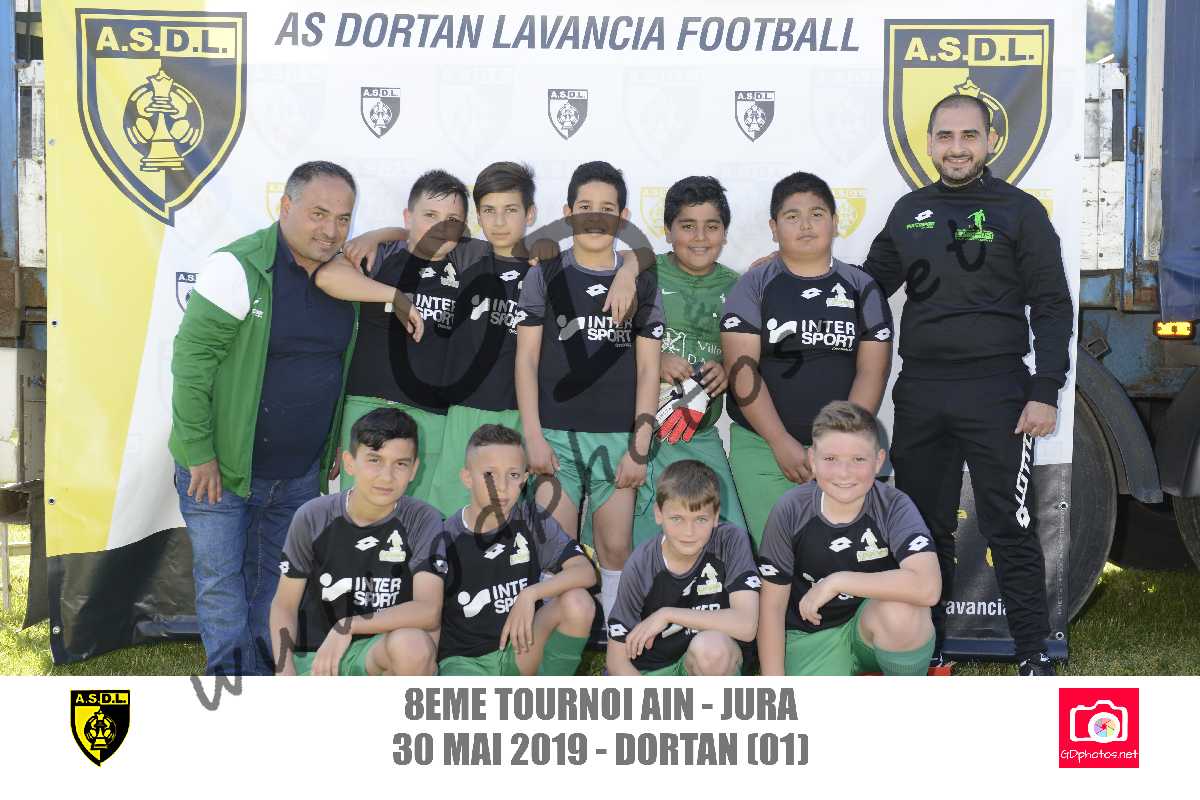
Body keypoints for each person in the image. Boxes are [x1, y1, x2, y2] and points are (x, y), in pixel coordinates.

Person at [861, 94, 1073, 676]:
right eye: (946, 136)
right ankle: (928, 651)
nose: (957, 148)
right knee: (923, 531)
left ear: (990, 142)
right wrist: (790, 266)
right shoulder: (909, 210)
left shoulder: (1021, 212)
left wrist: (1045, 390)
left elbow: (1052, 305)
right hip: (922, 391)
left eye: (969, 136)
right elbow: (866, 286)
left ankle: (1033, 654)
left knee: (1010, 525)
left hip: (998, 393)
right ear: (930, 143)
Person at [329, 162, 641, 516]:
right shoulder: (467, 255)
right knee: (448, 510)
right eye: (489, 211)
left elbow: (615, 258)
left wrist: (628, 271)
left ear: (530, 214)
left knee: (505, 515)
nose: (499, 221)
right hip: (463, 411)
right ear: (478, 217)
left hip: (522, 414)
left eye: (511, 210)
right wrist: (375, 235)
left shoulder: (545, 268)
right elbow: (419, 234)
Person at [170, 161, 364, 676]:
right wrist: (200, 454)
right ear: (285, 206)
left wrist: (328, 450)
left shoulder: (344, 279)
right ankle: (231, 680)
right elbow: (191, 367)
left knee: (276, 584)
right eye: (318, 213)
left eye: (343, 218)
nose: (330, 230)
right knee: (221, 582)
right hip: (220, 467)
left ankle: (262, 678)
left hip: (298, 475)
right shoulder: (237, 268)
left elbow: (334, 371)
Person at [515, 160, 665, 621]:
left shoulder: (642, 282)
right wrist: (533, 436)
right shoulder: (545, 274)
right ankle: (552, 642)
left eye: (607, 209)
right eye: (584, 208)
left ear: (623, 218)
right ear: (567, 214)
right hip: (555, 435)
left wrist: (639, 444)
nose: (595, 218)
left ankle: (612, 640)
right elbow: (526, 360)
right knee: (555, 549)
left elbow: (648, 369)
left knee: (615, 546)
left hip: (617, 437)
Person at [722, 171, 893, 545]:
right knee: (776, 562)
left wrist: (838, 445)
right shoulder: (752, 285)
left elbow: (872, 372)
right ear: (773, 227)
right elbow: (741, 371)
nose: (805, 225)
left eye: (817, 214)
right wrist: (779, 441)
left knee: (845, 559)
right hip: (764, 449)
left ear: (835, 222)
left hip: (846, 450)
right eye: (792, 216)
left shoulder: (863, 288)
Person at [592, 176, 747, 548]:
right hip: (635, 434)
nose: (700, 237)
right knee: (628, 543)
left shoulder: (738, 287)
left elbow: (746, 356)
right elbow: (601, 343)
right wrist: (653, 357)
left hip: (697, 434)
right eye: (687, 226)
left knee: (727, 539)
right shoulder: (645, 275)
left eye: (712, 227)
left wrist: (727, 370)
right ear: (667, 230)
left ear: (725, 233)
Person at [756, 401, 940, 676]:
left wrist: (837, 581)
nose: (844, 473)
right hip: (812, 635)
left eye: (858, 459)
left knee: (903, 611)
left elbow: (928, 587)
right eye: (831, 459)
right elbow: (771, 608)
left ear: (878, 461)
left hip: (872, 625)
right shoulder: (791, 510)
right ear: (812, 460)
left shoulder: (894, 505)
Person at [268, 408, 443, 676]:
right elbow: (284, 605)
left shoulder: (423, 519)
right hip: (317, 657)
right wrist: (284, 669)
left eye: (400, 464)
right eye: (374, 460)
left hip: (377, 653)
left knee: (413, 646)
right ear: (349, 463)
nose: (387, 476)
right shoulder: (313, 516)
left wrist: (349, 625)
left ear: (414, 469)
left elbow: (429, 610)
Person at [337, 169, 475, 504]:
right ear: (407, 216)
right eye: (430, 215)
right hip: (369, 405)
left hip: (432, 418)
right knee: (361, 518)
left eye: (452, 220)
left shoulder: (469, 264)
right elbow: (327, 276)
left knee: (419, 521)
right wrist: (393, 294)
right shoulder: (381, 256)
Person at [433, 424, 597, 676]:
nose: (501, 486)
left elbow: (585, 572)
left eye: (512, 475)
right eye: (489, 474)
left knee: (578, 602)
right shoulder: (445, 538)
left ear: (524, 478)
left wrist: (530, 594)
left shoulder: (531, 520)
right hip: (465, 660)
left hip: (521, 648)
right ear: (467, 477)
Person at [605, 460, 759, 676]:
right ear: (658, 514)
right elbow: (616, 661)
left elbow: (747, 625)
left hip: (709, 659)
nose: (689, 532)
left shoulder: (730, 541)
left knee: (713, 650)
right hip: (655, 672)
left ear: (716, 516)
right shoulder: (642, 564)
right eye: (677, 518)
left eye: (701, 519)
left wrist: (668, 615)